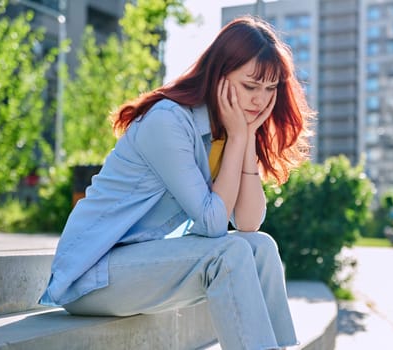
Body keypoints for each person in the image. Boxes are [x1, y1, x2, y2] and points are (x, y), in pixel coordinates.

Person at [39, 15, 315, 350]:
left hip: (141, 267)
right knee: (227, 253)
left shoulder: (229, 131)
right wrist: (241, 135)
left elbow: (248, 222)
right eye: (250, 86)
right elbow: (214, 226)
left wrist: (246, 137)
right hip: (92, 277)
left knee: (262, 248)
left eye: (270, 89)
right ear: (219, 76)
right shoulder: (168, 121)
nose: (260, 100)